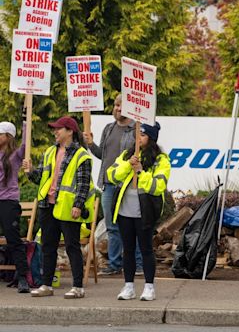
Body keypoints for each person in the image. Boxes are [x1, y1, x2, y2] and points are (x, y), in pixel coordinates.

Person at [23, 116, 95, 299]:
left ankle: (78, 287)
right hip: (47, 205)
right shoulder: (49, 152)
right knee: (48, 246)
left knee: (72, 246)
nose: (55, 132)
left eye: (58, 129)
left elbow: (84, 184)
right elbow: (41, 178)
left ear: (70, 131)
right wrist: (30, 171)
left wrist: (78, 205)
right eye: (54, 129)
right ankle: (46, 285)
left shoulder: (81, 155)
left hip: (68, 207)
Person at [107, 122, 170, 301]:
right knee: (128, 250)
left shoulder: (161, 160)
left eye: (142, 135)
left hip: (145, 211)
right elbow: (111, 175)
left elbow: (158, 186)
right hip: (125, 210)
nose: (138, 138)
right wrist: (128, 165)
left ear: (151, 138)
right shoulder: (127, 154)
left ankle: (149, 287)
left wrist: (141, 172)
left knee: (146, 249)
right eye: (137, 134)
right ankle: (129, 286)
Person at [84, 94, 143, 276]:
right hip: (109, 185)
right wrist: (91, 144)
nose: (118, 109)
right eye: (116, 105)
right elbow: (103, 154)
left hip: (127, 185)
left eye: (122, 106)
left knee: (133, 225)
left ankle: (138, 265)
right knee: (112, 226)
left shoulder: (136, 129)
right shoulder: (109, 128)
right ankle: (115, 264)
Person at [0, 119, 30, 293]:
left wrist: (26, 121)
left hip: (9, 201)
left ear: (8, 136)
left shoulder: (16, 155)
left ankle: (22, 278)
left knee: (13, 239)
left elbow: (26, 143)